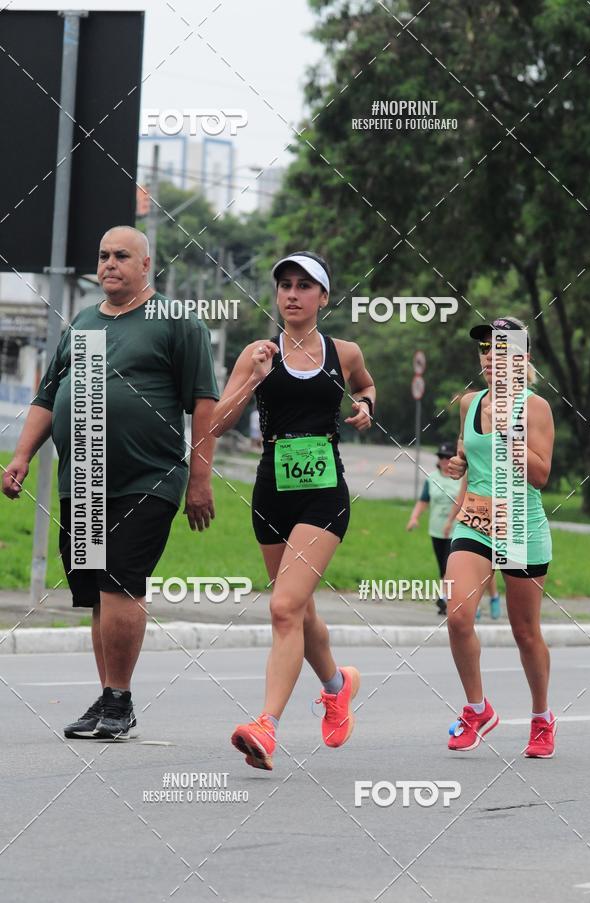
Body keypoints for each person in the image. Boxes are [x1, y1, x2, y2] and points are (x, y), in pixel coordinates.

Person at [2, 226, 219, 740]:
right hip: (83, 480)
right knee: (98, 592)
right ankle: (109, 700)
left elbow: (204, 402)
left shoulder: (175, 322)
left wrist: (200, 479)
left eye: (122, 256)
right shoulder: (82, 322)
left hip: (148, 477)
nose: (109, 264)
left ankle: (118, 701)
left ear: (147, 265)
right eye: (102, 256)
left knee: (121, 580)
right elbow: (45, 397)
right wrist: (20, 457)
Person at [210, 251, 375, 770]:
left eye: (305, 286)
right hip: (270, 489)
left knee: (282, 608)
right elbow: (216, 423)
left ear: (323, 297)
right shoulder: (258, 352)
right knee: (299, 608)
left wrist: (366, 405)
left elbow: (366, 384)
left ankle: (267, 725)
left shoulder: (342, 352)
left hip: (324, 492)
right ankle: (336, 685)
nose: (292, 294)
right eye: (284, 285)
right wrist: (253, 378)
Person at [445, 316, 555, 758]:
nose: (490, 356)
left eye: (501, 349)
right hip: (475, 521)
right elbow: (466, 454)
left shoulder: (535, 407)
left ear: (522, 358)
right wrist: (458, 466)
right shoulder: (469, 401)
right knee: (457, 615)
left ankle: (542, 718)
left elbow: (542, 474)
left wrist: (506, 431)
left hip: (521, 526)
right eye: (485, 349)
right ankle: (478, 708)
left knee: (525, 632)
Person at [407, 440, 461, 616]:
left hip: (456, 530)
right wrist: (414, 517)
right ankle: (450, 597)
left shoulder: (462, 478)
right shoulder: (432, 479)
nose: (444, 461)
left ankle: (444, 598)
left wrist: (451, 521)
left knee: (449, 566)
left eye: (448, 457)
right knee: (442, 567)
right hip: (436, 530)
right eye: (441, 457)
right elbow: (423, 501)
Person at [447, 477, 503, 621]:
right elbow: (461, 498)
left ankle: (494, 597)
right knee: (475, 568)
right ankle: (474, 605)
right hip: (475, 526)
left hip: (508, 522)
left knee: (524, 630)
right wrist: (449, 521)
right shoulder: (472, 463)